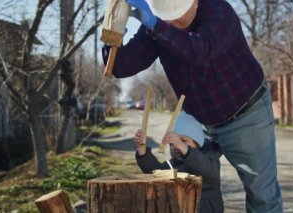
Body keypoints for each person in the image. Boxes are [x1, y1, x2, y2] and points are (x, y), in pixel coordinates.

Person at [102, 0, 283, 212]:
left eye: (179, 13)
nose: (176, 21)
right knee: (187, 187)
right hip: (200, 123)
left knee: (262, 195)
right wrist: (114, 28)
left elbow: (200, 51)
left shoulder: (218, 11)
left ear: (196, 2)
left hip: (245, 115)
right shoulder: (158, 23)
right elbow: (119, 66)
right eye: (169, 16)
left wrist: (157, 25)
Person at [134, 112, 223, 212]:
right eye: (172, 143)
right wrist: (142, 150)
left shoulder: (209, 158)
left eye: (183, 140)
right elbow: (156, 173)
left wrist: (183, 147)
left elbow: (207, 172)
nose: (176, 145)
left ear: (197, 143)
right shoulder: (174, 164)